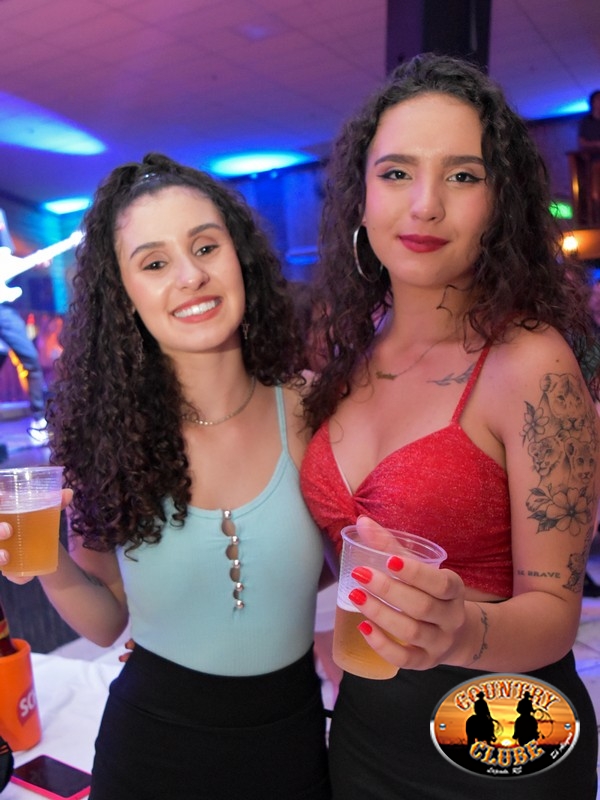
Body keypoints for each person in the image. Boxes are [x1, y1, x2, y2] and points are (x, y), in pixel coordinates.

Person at [300, 53, 600, 798]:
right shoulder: (345, 355)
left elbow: (555, 615)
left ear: (499, 203)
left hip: (502, 737)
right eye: (397, 172)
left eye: (463, 175)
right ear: (360, 198)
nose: (425, 204)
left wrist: (459, 629)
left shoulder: (530, 361)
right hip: (365, 728)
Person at [0, 153, 330, 799]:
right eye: (153, 263)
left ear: (241, 258)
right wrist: (45, 561)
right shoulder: (108, 439)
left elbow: (333, 558)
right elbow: (107, 624)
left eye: (205, 247)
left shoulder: (313, 408)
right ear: (123, 296)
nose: (190, 275)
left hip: (291, 741)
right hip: (153, 752)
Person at [0, 209, 48, 445]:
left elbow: (6, 258)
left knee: (31, 359)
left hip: (4, 310)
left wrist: (33, 262)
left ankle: (39, 421)